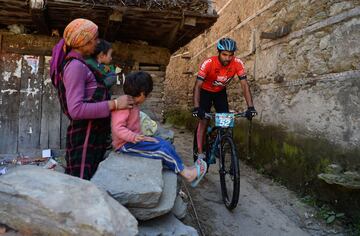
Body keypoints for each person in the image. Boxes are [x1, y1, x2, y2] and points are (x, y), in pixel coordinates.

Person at [50, 18, 134, 180]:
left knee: (87, 184)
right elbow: (76, 110)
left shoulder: (81, 65)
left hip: (92, 136)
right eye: (94, 39)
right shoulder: (75, 67)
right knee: (80, 185)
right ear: (83, 42)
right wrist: (115, 104)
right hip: (85, 138)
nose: (97, 43)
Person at [112, 71, 207, 187]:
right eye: (148, 94)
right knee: (162, 151)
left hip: (134, 141)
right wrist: (134, 137)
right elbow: (117, 128)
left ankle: (182, 167)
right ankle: (187, 174)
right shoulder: (124, 105)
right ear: (142, 93)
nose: (148, 97)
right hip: (125, 146)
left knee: (164, 143)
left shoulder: (133, 103)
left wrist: (141, 137)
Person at [192, 37, 257, 161]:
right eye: (224, 54)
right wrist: (196, 107)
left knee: (225, 121)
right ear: (219, 52)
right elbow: (197, 86)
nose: (227, 58)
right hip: (205, 92)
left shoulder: (237, 63)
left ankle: (217, 142)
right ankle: (200, 152)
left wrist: (250, 107)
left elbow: (244, 85)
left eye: (230, 55)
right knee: (204, 120)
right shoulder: (209, 63)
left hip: (220, 92)